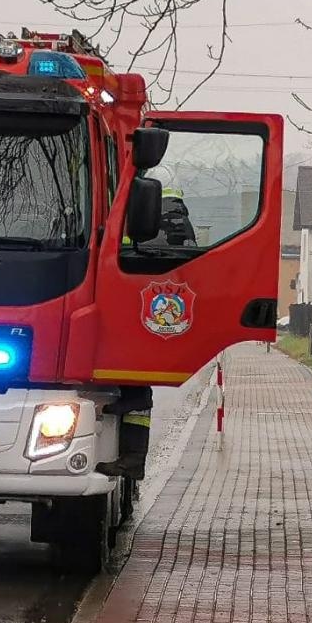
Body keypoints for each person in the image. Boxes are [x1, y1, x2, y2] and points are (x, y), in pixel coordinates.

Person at [97, 184, 198, 482]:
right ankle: (133, 457)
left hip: (139, 308)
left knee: (135, 389)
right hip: (150, 312)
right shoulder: (178, 222)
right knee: (136, 391)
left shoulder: (157, 218)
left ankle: (132, 456)